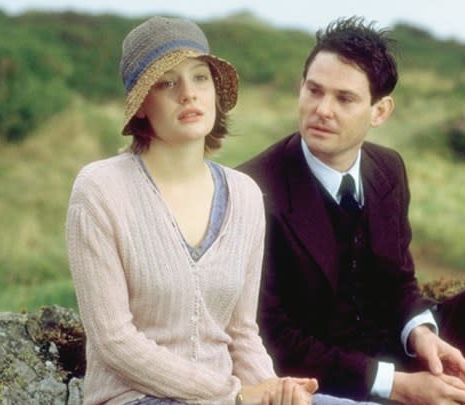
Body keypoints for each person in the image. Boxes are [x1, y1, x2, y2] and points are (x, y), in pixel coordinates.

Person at [237, 16, 465, 405]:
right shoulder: (249, 190)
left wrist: (423, 335)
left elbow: (398, 281)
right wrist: (399, 386)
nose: (322, 110)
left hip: (400, 353)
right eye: (313, 91)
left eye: (344, 98)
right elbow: (273, 339)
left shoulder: (387, 169)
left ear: (379, 111)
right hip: (327, 382)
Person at [65, 16, 321, 405]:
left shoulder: (245, 195)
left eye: (200, 77)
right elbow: (114, 341)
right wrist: (234, 395)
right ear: (140, 106)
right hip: (135, 398)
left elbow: (241, 334)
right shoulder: (100, 190)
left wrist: (274, 392)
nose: (188, 94)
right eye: (167, 82)